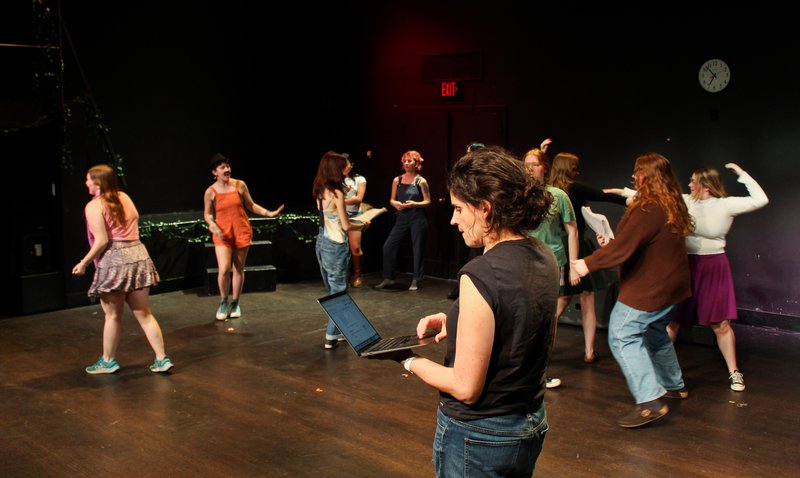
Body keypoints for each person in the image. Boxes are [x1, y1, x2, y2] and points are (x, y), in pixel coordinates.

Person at [372, 146, 557, 477]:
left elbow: (465, 387)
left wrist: (407, 359)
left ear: (484, 209)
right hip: (528, 423)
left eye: (458, 209)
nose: (453, 219)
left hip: (480, 436)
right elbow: (522, 323)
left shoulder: (480, 273)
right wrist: (455, 321)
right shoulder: (544, 255)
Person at [572, 153, 692, 428]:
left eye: (637, 173)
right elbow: (638, 244)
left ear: (647, 177)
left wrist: (587, 264)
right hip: (671, 289)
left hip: (651, 288)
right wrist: (612, 245)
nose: (633, 178)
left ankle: (650, 401)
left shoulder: (648, 207)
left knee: (621, 334)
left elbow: (629, 245)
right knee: (655, 334)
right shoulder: (669, 203)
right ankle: (674, 385)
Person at [667, 163, 768, 392]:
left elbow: (761, 199)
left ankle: (734, 372)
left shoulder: (725, 205)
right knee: (672, 320)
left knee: (721, 324)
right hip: (685, 264)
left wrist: (742, 174)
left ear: (706, 186)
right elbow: (654, 197)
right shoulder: (685, 200)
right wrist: (621, 193)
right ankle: (661, 369)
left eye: (694, 181)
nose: (690, 184)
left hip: (714, 266)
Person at [72, 164, 173, 374]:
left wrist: (84, 262)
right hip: (138, 256)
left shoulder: (94, 206)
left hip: (114, 260)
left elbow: (101, 240)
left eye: (89, 179)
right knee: (144, 313)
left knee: (112, 316)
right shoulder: (124, 197)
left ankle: (108, 361)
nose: (86, 183)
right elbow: (134, 221)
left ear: (98, 183)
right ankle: (162, 358)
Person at [549, 151, 628, 364]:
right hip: (576, 245)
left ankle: (541, 348)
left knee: (563, 297)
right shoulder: (573, 188)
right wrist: (630, 202)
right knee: (586, 297)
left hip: (556, 246)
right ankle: (589, 351)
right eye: (575, 168)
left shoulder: (551, 190)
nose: (578, 171)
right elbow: (602, 195)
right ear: (569, 169)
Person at [522, 140, 580, 389]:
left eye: (534, 165)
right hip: (525, 261)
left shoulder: (558, 196)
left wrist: (576, 264)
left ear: (544, 168)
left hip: (553, 260)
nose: (529, 169)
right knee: (533, 316)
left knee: (548, 314)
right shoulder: (519, 196)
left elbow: (573, 231)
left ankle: (537, 368)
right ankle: (531, 367)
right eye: (526, 165)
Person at [204, 153, 284, 321]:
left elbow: (251, 205)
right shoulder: (210, 192)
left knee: (239, 268)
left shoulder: (240, 186)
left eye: (228, 166)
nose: (227, 169)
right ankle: (223, 301)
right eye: (222, 167)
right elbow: (208, 215)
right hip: (223, 234)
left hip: (241, 231)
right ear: (214, 172)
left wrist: (269, 213)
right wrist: (212, 224)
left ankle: (235, 303)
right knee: (224, 269)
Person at [313, 151, 366, 349]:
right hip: (335, 245)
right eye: (342, 166)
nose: (345, 169)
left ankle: (339, 330)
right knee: (339, 292)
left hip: (322, 243)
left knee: (333, 289)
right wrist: (363, 221)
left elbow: (331, 218)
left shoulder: (320, 190)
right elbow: (344, 224)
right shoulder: (337, 193)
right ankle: (331, 334)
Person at [375, 150, 431, 291]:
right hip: (401, 217)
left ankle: (416, 279)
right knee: (388, 246)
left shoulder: (421, 181)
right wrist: (396, 204)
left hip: (417, 217)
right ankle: (389, 277)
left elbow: (428, 202)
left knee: (417, 249)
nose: (406, 163)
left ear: (416, 163)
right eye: (404, 161)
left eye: (409, 161)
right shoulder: (397, 180)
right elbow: (392, 199)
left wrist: (414, 204)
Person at [448, 142, 485, 300]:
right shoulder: (462, 176)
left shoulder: (483, 176)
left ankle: (479, 287)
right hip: (465, 221)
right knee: (461, 255)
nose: (466, 156)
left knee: (480, 254)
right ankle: (459, 286)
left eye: (469, 153)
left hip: (479, 223)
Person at [343, 154, 367, 287]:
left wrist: (339, 201)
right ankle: (343, 275)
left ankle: (358, 275)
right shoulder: (336, 179)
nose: (343, 166)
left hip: (355, 215)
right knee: (341, 247)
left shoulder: (359, 179)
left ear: (351, 164)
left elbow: (358, 199)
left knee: (355, 247)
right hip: (339, 216)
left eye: (345, 163)